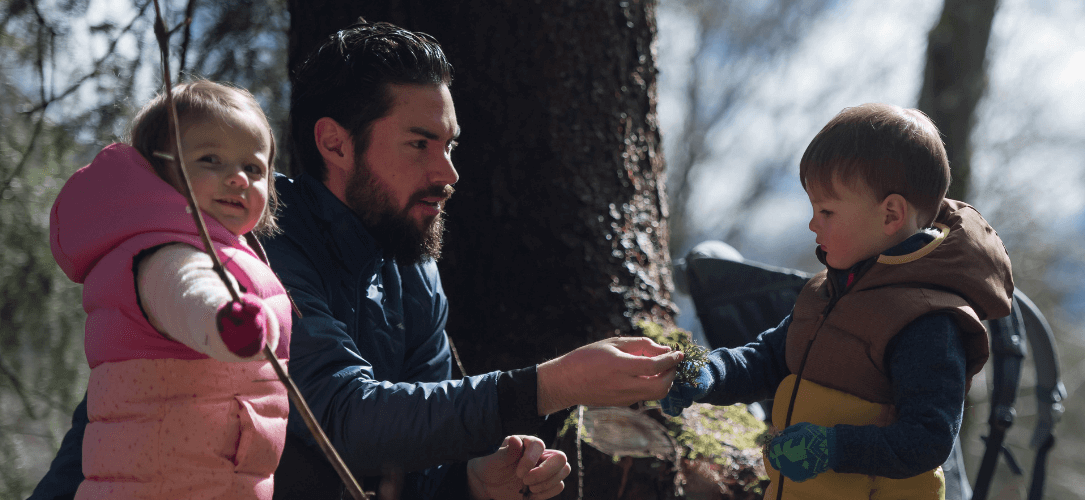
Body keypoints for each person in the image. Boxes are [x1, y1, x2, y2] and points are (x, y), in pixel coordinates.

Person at [28, 21, 683, 500]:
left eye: (450, 144)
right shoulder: (251, 240)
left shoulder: (413, 272)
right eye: (420, 143)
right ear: (335, 144)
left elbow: (405, 458)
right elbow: (342, 420)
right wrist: (550, 384)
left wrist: (473, 479)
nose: (448, 171)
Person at [660, 103, 1014, 499]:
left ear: (891, 215)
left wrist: (831, 448)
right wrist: (707, 374)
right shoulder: (826, 292)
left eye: (826, 210)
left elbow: (928, 438)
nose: (813, 223)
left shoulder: (928, 320)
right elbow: (768, 359)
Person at [48, 80, 292, 498]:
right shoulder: (164, 251)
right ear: (158, 172)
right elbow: (188, 289)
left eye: (253, 168)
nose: (237, 178)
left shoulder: (229, 252)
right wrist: (225, 317)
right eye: (210, 160)